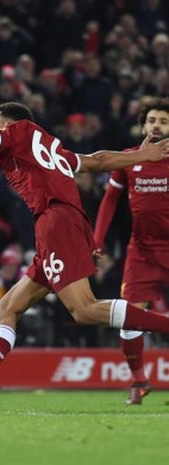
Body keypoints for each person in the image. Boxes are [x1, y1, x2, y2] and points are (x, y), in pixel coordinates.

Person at [0, 77, 169, 410]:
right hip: (63, 222)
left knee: (84, 310)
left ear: (10, 123)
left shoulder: (13, 137)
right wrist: (141, 155)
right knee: (7, 308)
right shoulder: (51, 146)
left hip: (56, 222)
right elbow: (96, 160)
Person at [93, 97, 169, 405]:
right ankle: (138, 381)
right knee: (129, 315)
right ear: (143, 126)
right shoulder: (128, 159)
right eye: (151, 120)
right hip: (142, 250)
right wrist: (97, 239)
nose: (156, 126)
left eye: (163, 121)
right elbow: (110, 200)